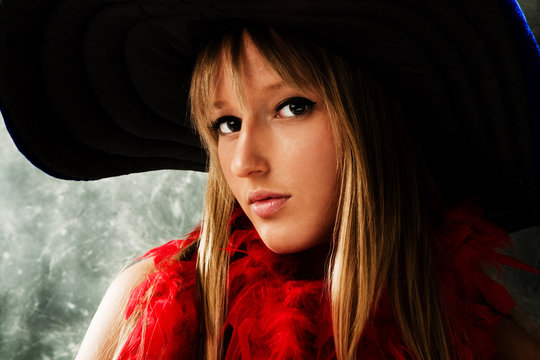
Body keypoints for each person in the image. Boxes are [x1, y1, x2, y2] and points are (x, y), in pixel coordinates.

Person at [0, 0, 539, 359]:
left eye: (290, 107)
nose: (243, 161)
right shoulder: (146, 305)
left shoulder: (470, 324)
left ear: (372, 122)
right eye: (226, 124)